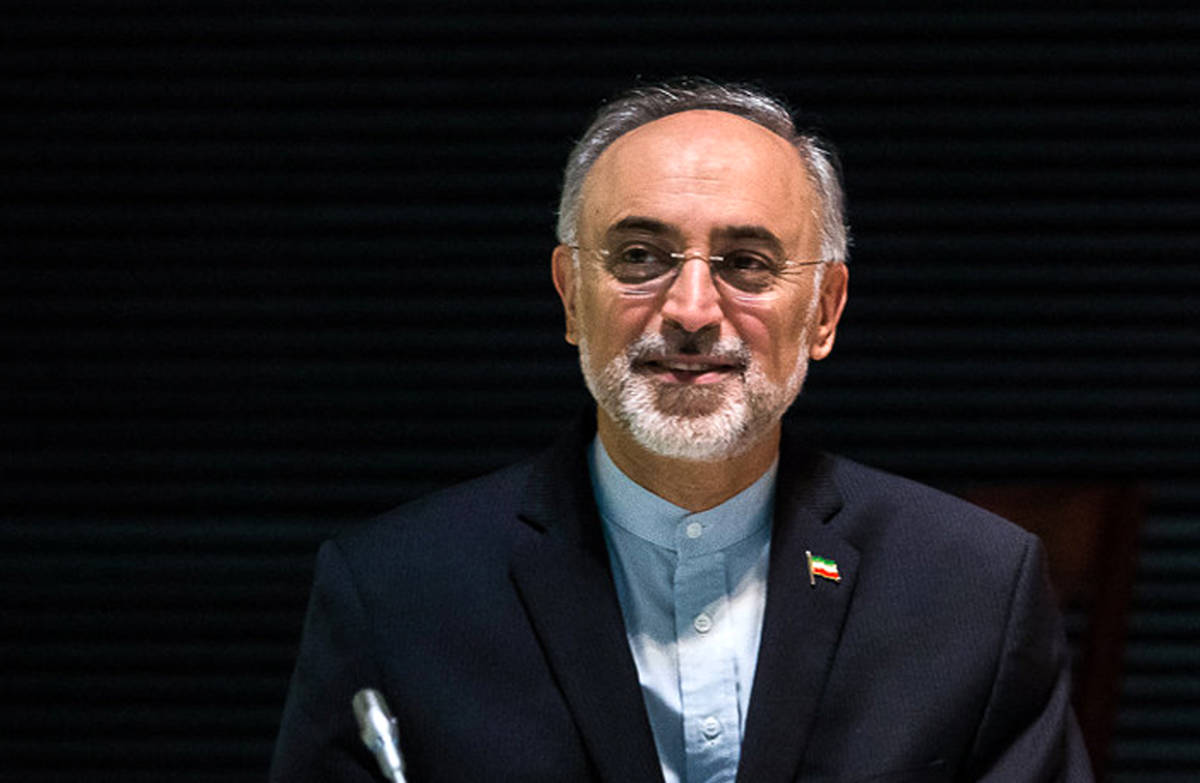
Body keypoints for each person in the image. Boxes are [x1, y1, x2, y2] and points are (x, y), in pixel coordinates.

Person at [270, 79, 1093, 783]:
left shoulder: (975, 591)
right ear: (571, 295)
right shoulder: (394, 595)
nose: (692, 310)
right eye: (640, 255)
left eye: (748, 263)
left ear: (825, 310)